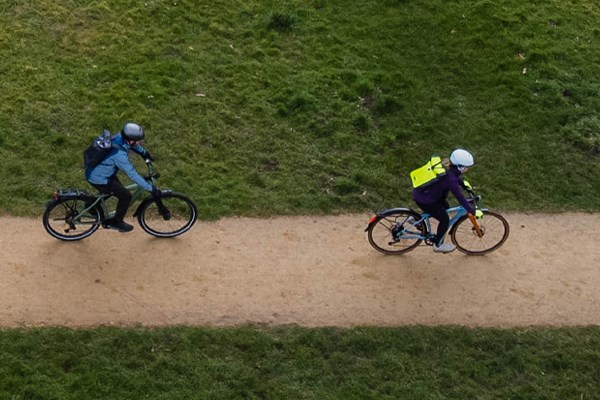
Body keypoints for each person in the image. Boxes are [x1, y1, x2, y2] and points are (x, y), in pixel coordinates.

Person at [85, 122, 159, 232]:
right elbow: (132, 174)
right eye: (138, 140)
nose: (139, 142)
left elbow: (133, 146)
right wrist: (150, 188)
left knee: (115, 189)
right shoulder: (119, 155)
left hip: (99, 172)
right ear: (130, 140)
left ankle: (91, 205)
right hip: (99, 178)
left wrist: (144, 153)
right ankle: (117, 222)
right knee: (126, 196)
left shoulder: (120, 137)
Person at [412, 148, 477, 253]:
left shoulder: (445, 168)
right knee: (445, 220)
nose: (468, 169)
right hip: (426, 200)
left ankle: (417, 219)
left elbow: (455, 177)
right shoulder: (451, 180)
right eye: (467, 167)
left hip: (421, 194)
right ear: (460, 167)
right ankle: (438, 245)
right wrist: (472, 211)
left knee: (445, 207)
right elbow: (460, 198)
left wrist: (463, 184)